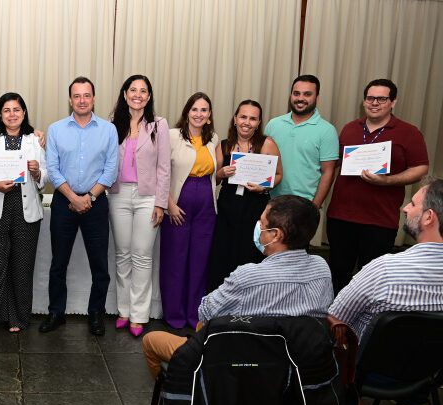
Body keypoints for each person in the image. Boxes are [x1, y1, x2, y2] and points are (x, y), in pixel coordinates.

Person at [143, 195, 333, 377]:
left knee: (151, 340)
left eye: (262, 223)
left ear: (276, 235)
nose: (258, 226)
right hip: (298, 367)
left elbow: (205, 312)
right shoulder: (321, 268)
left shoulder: (248, 276)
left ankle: (189, 396)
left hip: (239, 364)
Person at [326, 79, 429, 293]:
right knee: (337, 273)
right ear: (364, 101)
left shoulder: (409, 133)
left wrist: (388, 180)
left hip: (379, 220)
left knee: (372, 278)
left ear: (393, 102)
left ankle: (364, 324)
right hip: (341, 217)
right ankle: (334, 322)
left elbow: (420, 168)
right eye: (370, 98)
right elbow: (333, 163)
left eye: (382, 98)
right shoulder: (349, 128)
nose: (375, 103)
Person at [41, 76, 118, 336]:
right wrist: (73, 197)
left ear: (94, 98)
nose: (82, 100)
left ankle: (96, 313)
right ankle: (56, 313)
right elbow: (52, 169)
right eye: (77, 96)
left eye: (87, 95)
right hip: (64, 202)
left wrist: (90, 197)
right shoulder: (56, 129)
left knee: (100, 265)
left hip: (96, 202)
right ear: (70, 99)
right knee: (58, 263)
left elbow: (111, 169)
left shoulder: (108, 130)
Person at [0, 93, 46, 344]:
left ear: (24, 113)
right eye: (6, 110)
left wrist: (37, 173)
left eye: (17, 110)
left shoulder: (34, 141)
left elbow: (46, 179)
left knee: (22, 268)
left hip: (26, 211)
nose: (12, 114)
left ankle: (18, 318)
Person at [329, 176, 443, 343]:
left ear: (428, 217)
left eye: (412, 204)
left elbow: (336, 318)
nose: (405, 209)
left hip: (368, 366)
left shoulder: (384, 270)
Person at [107, 75, 170, 337]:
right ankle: (123, 310)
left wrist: (161, 203)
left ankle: (139, 315)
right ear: (124, 94)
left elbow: (165, 167)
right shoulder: (112, 126)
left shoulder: (159, 125)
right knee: (122, 254)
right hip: (118, 195)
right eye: (133, 90)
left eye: (143, 91)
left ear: (149, 96)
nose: (138, 94)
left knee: (142, 255)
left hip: (147, 197)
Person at [207, 100, 283, 292]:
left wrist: (263, 186)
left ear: (258, 123)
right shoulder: (223, 145)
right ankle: (219, 305)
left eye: (252, 118)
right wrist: (221, 174)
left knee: (250, 255)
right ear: (235, 119)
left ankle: (249, 305)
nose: (246, 122)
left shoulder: (267, 144)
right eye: (243, 117)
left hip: (255, 208)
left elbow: (279, 174)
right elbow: (213, 180)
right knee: (222, 255)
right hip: (227, 207)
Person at [159, 92, 219, 330]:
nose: (199, 114)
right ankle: (174, 315)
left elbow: (217, 171)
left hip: (205, 202)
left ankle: (195, 315)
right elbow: (161, 171)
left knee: (199, 260)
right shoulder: (172, 136)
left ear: (210, 115)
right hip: (178, 202)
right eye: (194, 109)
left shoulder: (213, 138)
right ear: (186, 112)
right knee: (176, 259)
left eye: (204, 110)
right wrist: (169, 203)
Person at [266, 74, 338, 207]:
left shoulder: (327, 131)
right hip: (270, 201)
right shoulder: (273, 124)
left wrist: (314, 206)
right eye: (296, 93)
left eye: (307, 94)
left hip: (303, 205)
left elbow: (328, 172)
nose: (300, 98)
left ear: (317, 97)